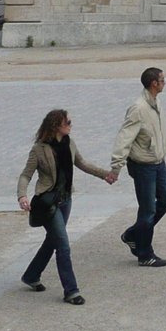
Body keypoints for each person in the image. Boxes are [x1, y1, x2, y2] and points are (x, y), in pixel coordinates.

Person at [18, 108, 118, 304]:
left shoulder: (69, 143)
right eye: (68, 122)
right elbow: (26, 174)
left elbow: (81, 163)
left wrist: (104, 174)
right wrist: (22, 195)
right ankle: (71, 291)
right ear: (57, 125)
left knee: (52, 240)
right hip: (48, 202)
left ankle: (31, 276)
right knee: (63, 244)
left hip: (66, 200)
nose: (71, 125)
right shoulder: (39, 149)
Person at [112, 68, 166, 268]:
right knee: (148, 210)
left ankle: (132, 234)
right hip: (143, 166)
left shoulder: (155, 103)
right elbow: (124, 137)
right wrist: (116, 166)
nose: (165, 82)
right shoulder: (138, 108)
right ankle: (145, 254)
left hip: (157, 162)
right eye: (162, 80)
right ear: (154, 83)